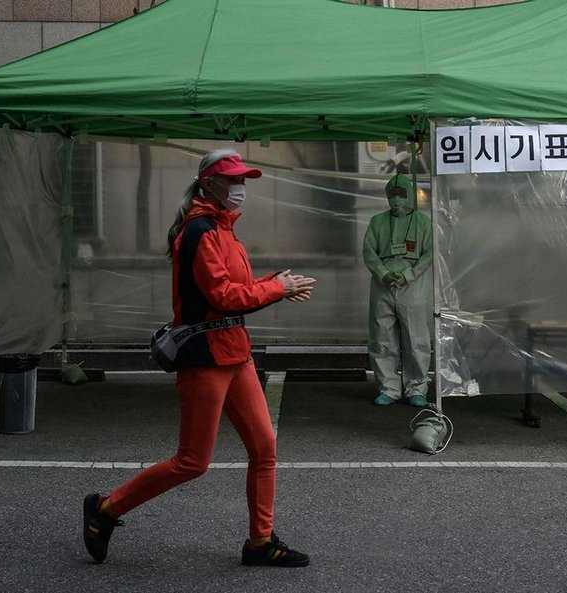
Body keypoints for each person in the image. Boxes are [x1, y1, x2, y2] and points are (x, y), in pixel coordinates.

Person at [82, 149, 316, 567]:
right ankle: (104, 509)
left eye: (243, 180)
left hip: (234, 353)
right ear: (209, 183)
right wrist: (276, 289)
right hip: (206, 358)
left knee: (264, 447)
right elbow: (222, 297)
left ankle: (260, 542)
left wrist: (273, 282)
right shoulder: (200, 231)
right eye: (233, 180)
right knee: (191, 462)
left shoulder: (221, 228)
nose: (241, 188)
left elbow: (235, 289)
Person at [362, 172, 433, 407]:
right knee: (382, 337)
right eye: (391, 194)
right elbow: (369, 253)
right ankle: (389, 387)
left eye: (401, 194)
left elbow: (429, 254)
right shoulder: (377, 222)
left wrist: (408, 275)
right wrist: (383, 273)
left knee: (416, 338)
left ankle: (417, 388)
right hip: (383, 284)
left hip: (413, 286)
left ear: (410, 195)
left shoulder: (424, 223)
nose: (396, 199)